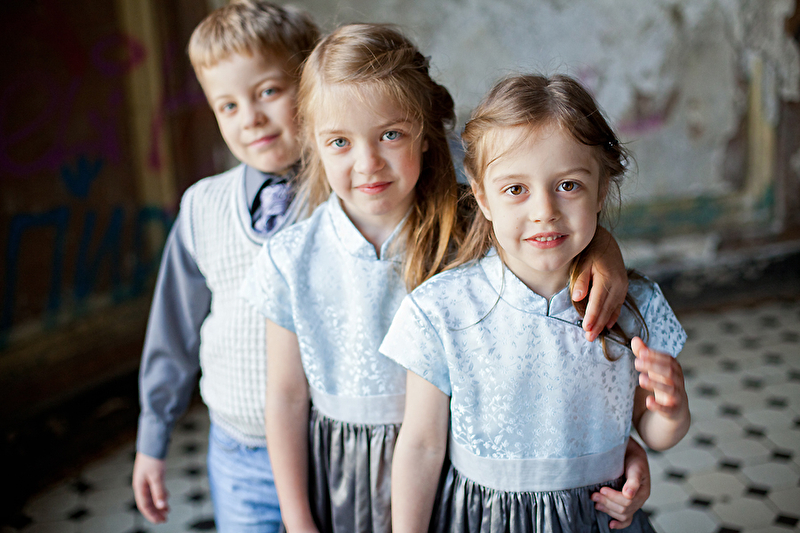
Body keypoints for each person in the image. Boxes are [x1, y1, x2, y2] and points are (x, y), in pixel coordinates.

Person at [242, 25, 651, 533]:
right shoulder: (291, 257)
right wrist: (297, 519)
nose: (368, 163)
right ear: (312, 140)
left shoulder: (470, 231)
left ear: (425, 131)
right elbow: (284, 398)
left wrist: (602, 248)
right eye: (340, 141)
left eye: (391, 134)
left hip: (455, 485)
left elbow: (549, 245)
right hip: (340, 481)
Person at [383, 73, 691, 533]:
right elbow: (422, 446)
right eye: (516, 189)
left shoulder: (637, 305)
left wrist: (671, 409)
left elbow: (653, 432)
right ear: (482, 196)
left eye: (568, 185)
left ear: (601, 189)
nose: (544, 210)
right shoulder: (442, 310)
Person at [131, 2, 319, 531]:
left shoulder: (348, 198)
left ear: (311, 86)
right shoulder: (202, 207)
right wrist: (152, 439)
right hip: (240, 455)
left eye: (268, 91)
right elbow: (172, 331)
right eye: (228, 105)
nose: (250, 118)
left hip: (332, 448)